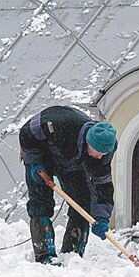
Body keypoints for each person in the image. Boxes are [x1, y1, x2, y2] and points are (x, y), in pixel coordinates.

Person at [19, 105, 118, 264]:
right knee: (40, 202)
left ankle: (72, 254)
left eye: (103, 154)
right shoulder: (61, 122)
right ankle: (45, 255)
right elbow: (27, 133)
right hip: (41, 154)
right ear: (88, 142)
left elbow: (103, 185)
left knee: (82, 203)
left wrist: (101, 217)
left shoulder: (103, 153)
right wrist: (34, 161)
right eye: (97, 151)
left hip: (72, 164)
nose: (100, 157)